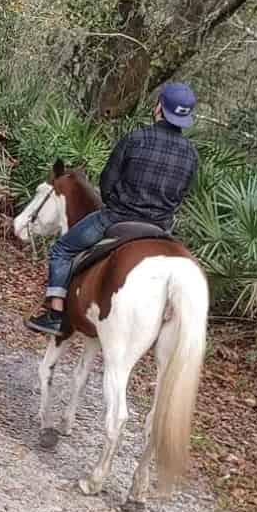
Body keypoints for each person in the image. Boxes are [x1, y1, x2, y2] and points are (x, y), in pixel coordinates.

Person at [25, 82, 200, 336]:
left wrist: (117, 204)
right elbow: (184, 193)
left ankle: (55, 314)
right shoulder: (191, 154)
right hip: (160, 227)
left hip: (117, 218)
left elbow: (107, 182)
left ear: (159, 107)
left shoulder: (135, 139)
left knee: (62, 250)